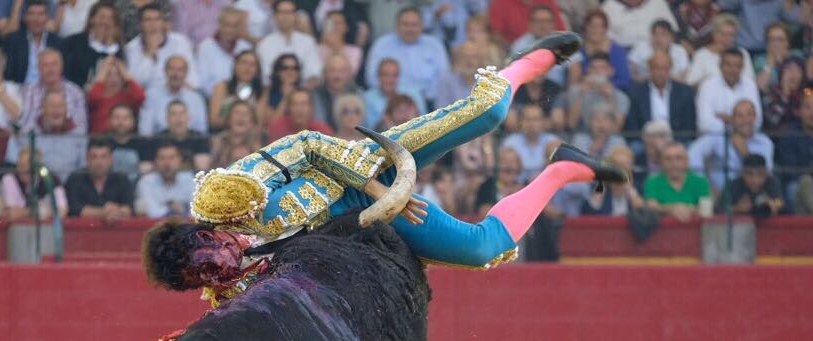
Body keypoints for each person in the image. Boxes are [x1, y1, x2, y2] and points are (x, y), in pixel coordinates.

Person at [143, 34, 631, 293]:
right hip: (360, 229)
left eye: (212, 259)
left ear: (204, 234)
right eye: (203, 279)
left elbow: (309, 144)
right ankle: (564, 169)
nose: (222, 270)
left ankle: (528, 62)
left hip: (368, 168)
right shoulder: (227, 285)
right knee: (483, 249)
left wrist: (379, 190)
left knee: (489, 112)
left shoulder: (228, 196)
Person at [364, 6, 448, 108]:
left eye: (414, 25)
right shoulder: (382, 44)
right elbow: (371, 78)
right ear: (396, 25)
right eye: (405, 24)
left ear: (422, 26)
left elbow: (444, 77)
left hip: (429, 101)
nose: (410, 29)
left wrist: (422, 98)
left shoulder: (434, 45)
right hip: (390, 101)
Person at [689, 99, 774, 192]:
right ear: (732, 120)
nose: (745, 120)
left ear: (755, 117)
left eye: (749, 115)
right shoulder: (719, 138)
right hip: (721, 195)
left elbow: (765, 175)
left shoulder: (765, 142)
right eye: (739, 116)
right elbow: (692, 154)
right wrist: (704, 186)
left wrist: (744, 152)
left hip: (751, 195)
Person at [624, 51, 697, 143]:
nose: (661, 73)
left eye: (665, 68)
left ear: (670, 69)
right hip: (645, 142)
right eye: (657, 68)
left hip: (676, 141)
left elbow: (688, 127)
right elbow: (632, 127)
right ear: (649, 70)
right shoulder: (636, 92)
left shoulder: (685, 92)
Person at [125, 2, 198, 91]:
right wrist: (149, 55)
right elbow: (134, 84)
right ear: (140, 24)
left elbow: (194, 81)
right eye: (148, 20)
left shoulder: (180, 42)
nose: (153, 24)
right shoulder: (131, 48)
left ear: (163, 22)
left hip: (179, 92)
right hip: (148, 97)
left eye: (157, 19)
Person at [19, 90, 87, 183]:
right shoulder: (29, 133)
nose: (56, 110)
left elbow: (83, 166)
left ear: (66, 109)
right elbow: (21, 164)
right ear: (43, 109)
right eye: (52, 106)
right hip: (40, 186)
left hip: (71, 187)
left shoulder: (79, 134)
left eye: (60, 106)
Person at [18, 49, 89, 134]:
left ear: (62, 66)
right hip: (37, 143)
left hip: (68, 143)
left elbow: (81, 129)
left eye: (54, 64)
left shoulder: (76, 93)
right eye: (45, 65)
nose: (50, 69)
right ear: (38, 68)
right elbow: (23, 126)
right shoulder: (27, 92)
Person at [695, 49, 762, 136]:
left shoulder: (750, 85)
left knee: (767, 144)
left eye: (737, 66)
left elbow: (758, 121)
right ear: (720, 66)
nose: (732, 70)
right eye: (728, 65)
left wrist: (727, 119)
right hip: (714, 138)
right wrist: (741, 122)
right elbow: (704, 124)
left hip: (746, 137)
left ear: (742, 67)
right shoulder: (708, 85)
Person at [257, 0, 322, 88]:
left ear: (295, 15)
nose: (285, 16)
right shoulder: (264, 44)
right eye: (282, 12)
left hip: (304, 92)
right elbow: (266, 76)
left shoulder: (308, 42)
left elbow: (314, 73)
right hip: (275, 92)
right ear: (274, 16)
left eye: (289, 12)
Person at [66, 137, 135, 219]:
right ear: (87, 159)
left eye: (104, 157)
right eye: (94, 157)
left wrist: (116, 212)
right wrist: (104, 212)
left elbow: (129, 209)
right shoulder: (75, 178)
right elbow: (74, 209)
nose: (99, 162)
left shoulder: (121, 179)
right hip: (82, 231)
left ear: (111, 159)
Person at [138, 54, 208, 135]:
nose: (175, 74)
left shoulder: (196, 99)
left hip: (189, 144)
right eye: (172, 69)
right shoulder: (151, 96)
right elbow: (145, 132)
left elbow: (202, 133)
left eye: (180, 70)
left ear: (186, 73)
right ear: (165, 71)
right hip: (159, 143)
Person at [562, 52, 630, 133]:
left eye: (602, 68)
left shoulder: (621, 97)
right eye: (593, 68)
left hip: (610, 139)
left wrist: (610, 98)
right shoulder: (576, 91)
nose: (597, 71)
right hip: (581, 135)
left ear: (611, 71)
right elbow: (571, 124)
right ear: (588, 70)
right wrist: (580, 95)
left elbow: (615, 129)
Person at [643, 141, 711, 220]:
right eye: (668, 159)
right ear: (661, 162)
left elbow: (706, 209)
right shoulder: (652, 182)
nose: (674, 163)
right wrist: (673, 209)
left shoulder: (700, 182)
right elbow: (652, 206)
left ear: (687, 161)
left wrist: (687, 210)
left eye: (678, 158)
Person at [64, 1, 125, 88]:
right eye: (102, 17)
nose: (105, 22)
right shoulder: (73, 42)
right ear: (92, 19)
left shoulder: (118, 50)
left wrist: (108, 47)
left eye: (110, 18)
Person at [567, 9, 630, 92]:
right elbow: (573, 83)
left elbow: (624, 80)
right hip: (585, 93)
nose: (595, 29)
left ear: (605, 29)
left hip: (611, 93)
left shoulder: (617, 51)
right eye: (591, 25)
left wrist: (604, 87)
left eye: (599, 26)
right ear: (585, 27)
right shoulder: (578, 52)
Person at [1, 0, 62, 85]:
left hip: (48, 89)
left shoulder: (57, 42)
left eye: (41, 14)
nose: (36, 19)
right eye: (32, 14)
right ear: (25, 17)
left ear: (47, 17)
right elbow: (7, 75)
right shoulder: (13, 41)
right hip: (19, 90)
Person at [685, 14, 755, 87]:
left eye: (731, 35)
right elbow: (690, 84)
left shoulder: (742, 53)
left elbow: (750, 82)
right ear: (714, 34)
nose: (727, 39)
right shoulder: (702, 55)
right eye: (723, 34)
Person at [196, 6, 251, 97]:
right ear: (219, 24)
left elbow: (249, 79)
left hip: (240, 97)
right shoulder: (205, 47)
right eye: (227, 25)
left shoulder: (245, 47)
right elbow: (202, 81)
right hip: (212, 97)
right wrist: (221, 95)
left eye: (234, 26)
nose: (230, 30)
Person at [2, 147, 69, 219]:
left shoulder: (50, 180)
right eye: (21, 165)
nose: (24, 169)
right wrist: (38, 211)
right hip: (18, 227)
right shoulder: (10, 179)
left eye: (28, 166)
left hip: (46, 228)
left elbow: (62, 210)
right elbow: (11, 213)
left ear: (38, 166)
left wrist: (25, 212)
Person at [363, 57, 426, 132]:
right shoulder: (367, 99)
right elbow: (370, 129)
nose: (390, 80)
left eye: (395, 75)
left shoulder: (414, 93)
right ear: (378, 75)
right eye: (385, 75)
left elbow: (424, 121)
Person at [87, 55, 146, 134]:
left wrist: (125, 72)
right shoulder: (98, 96)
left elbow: (140, 96)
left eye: (118, 74)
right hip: (101, 142)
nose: (113, 79)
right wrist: (103, 70)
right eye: (108, 74)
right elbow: (92, 98)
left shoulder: (128, 96)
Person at [502, 103, 559, 181]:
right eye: (528, 119)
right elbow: (504, 175)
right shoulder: (510, 143)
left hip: (546, 185)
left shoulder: (552, 141)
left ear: (543, 122)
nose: (531, 124)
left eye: (536, 119)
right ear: (521, 122)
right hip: (519, 187)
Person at [581, 144, 644, 215]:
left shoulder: (639, 187)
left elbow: (643, 214)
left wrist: (630, 191)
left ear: (631, 167)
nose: (622, 169)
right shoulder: (601, 187)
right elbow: (589, 213)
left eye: (626, 165)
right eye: (618, 164)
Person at [208, 49, 263, 131]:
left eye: (253, 64)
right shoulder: (221, 87)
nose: (248, 68)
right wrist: (234, 120)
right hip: (224, 133)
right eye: (244, 63)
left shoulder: (262, 91)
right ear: (235, 66)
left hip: (251, 137)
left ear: (257, 70)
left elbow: (259, 123)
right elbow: (213, 121)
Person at [135, 141, 193, 217]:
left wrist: (168, 207)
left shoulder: (190, 179)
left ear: (180, 161)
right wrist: (176, 208)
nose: (167, 163)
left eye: (171, 158)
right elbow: (152, 212)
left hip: (186, 227)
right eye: (162, 158)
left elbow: (196, 211)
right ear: (155, 162)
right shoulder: (145, 182)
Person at [777, 90, 813, 212]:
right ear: (799, 111)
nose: (812, 112)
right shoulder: (789, 134)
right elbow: (790, 171)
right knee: (799, 185)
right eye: (807, 107)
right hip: (798, 183)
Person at [719, 153, 783, 217]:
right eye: (749, 174)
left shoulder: (772, 182)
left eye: (760, 174)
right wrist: (736, 208)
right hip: (740, 224)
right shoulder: (733, 185)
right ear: (742, 173)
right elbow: (719, 210)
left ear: (766, 173)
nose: (755, 180)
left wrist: (773, 205)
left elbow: (780, 202)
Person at [152, 100, 211, 170]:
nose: (178, 118)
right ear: (167, 119)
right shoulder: (157, 139)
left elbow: (203, 168)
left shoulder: (199, 138)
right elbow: (149, 168)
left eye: (182, 113)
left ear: (188, 117)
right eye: (173, 114)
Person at [600, 0, 677, 52]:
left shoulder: (658, 2)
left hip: (656, 51)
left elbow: (673, 31)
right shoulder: (609, 6)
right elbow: (603, 37)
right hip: (623, 52)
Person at [311, 52, 358, 130]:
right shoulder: (315, 96)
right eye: (332, 71)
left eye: (342, 71)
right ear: (324, 73)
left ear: (350, 73)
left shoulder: (358, 94)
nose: (337, 76)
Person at [209, 99, 262, 167]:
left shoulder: (258, 146)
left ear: (252, 122)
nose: (241, 117)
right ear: (228, 119)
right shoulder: (216, 142)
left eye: (246, 114)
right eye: (237, 113)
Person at [754, 22, 804, 92]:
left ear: (787, 42)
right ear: (767, 43)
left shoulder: (797, 55)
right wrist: (770, 63)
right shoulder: (760, 60)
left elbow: (800, 83)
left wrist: (782, 62)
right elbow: (760, 86)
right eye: (771, 39)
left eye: (780, 39)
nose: (776, 43)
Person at [488, 0, 565, 45]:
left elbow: (562, 31)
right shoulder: (501, 2)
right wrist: (514, 50)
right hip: (514, 51)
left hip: (552, 47)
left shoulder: (548, 1)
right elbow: (495, 34)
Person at [267, 88, 332, 141]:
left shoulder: (322, 132)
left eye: (303, 104)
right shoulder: (278, 127)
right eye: (295, 104)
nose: (299, 109)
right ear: (289, 108)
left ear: (311, 107)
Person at [258, 52, 302, 129]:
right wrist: (286, 98)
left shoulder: (303, 94)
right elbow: (269, 124)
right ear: (277, 71)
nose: (290, 71)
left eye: (295, 68)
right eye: (285, 68)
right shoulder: (269, 92)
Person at [106, 103, 148, 181]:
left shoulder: (143, 143)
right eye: (116, 118)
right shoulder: (102, 141)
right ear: (109, 120)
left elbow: (147, 169)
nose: (121, 122)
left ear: (133, 121)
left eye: (125, 118)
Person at [317, 9, 361, 77]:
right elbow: (317, 74)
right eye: (330, 23)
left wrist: (335, 46)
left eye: (337, 23)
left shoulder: (355, 51)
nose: (334, 27)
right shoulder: (317, 49)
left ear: (346, 27)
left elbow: (350, 74)